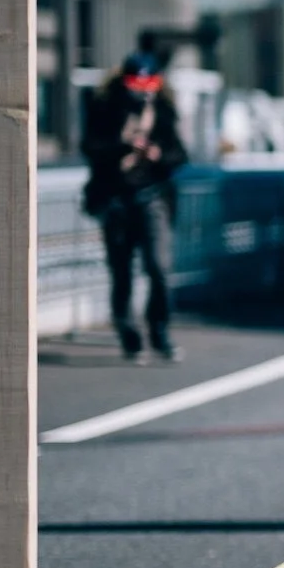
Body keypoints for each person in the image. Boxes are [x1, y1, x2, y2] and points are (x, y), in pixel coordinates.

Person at [82, 52, 188, 362]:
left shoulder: (163, 110)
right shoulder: (104, 106)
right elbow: (90, 147)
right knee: (122, 271)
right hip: (116, 199)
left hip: (153, 197)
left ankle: (160, 333)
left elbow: (180, 154)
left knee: (159, 269)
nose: (143, 89)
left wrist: (157, 154)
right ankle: (130, 336)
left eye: (150, 82)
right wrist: (124, 146)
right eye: (136, 82)